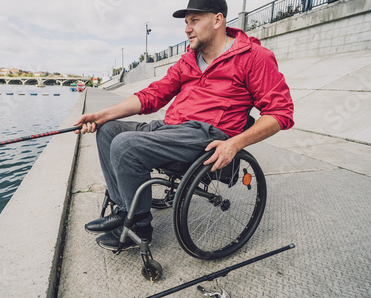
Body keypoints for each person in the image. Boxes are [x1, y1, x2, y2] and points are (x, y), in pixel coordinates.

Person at [74, 0, 294, 251]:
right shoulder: (188, 60)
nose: (187, 29)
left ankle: (139, 226)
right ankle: (125, 210)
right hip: (171, 129)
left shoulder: (254, 57)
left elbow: (280, 113)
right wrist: (103, 115)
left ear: (217, 20)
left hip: (206, 136)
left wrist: (235, 143)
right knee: (108, 131)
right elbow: (152, 95)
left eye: (194, 21)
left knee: (125, 145)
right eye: (186, 23)